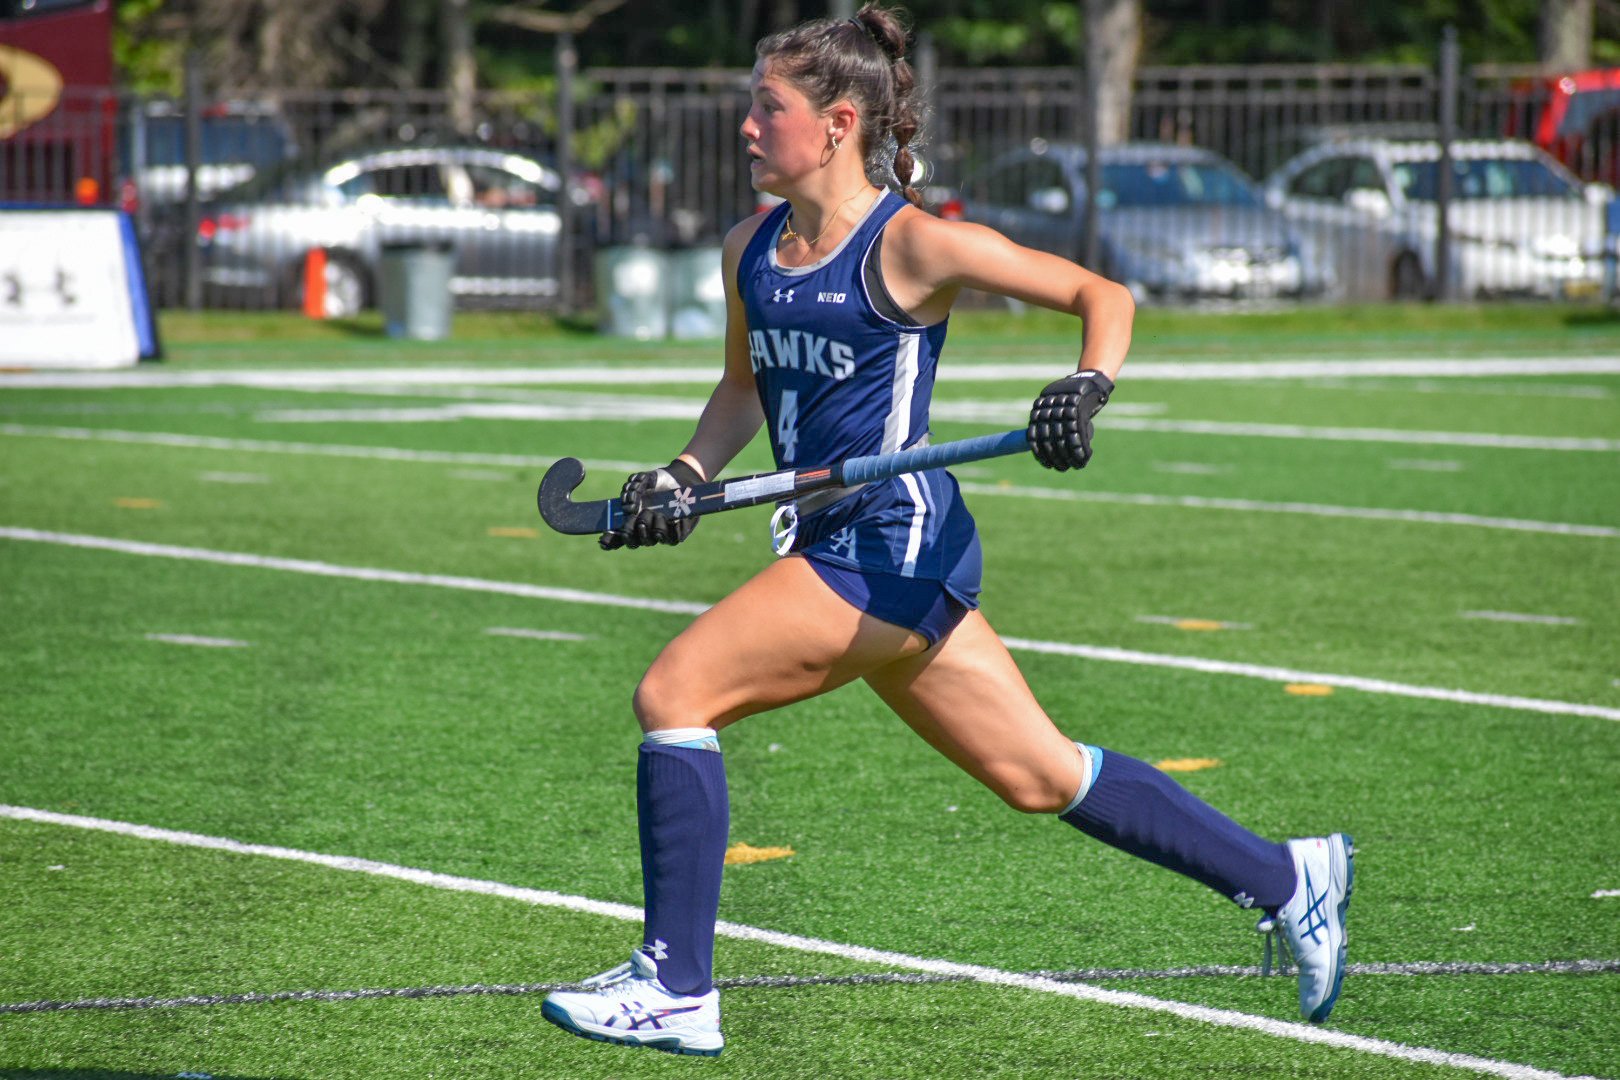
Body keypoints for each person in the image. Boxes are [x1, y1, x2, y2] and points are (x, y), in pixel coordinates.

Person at [541, 5, 1352, 1058]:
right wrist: (686, 476)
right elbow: (744, 391)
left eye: (765, 106)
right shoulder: (752, 248)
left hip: (890, 545)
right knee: (1040, 776)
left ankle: (678, 986)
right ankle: (1290, 878)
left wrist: (1085, 383)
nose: (745, 126)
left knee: (675, 693)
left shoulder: (914, 243)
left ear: (837, 122)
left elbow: (1099, 292)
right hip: (839, 547)